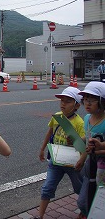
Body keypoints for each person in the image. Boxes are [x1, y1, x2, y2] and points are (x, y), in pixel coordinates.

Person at [35, 87, 86, 219]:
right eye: (62, 101)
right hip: (56, 159)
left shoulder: (79, 123)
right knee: (47, 188)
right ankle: (39, 216)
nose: (63, 104)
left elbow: (82, 145)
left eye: (68, 101)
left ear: (77, 106)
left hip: (73, 163)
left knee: (80, 189)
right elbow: (50, 132)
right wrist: (42, 148)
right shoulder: (57, 117)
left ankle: (84, 210)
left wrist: (74, 141)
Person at [77, 81, 105, 218]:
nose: (87, 103)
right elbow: (88, 137)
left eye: (92, 100)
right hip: (91, 163)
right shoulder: (87, 118)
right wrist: (79, 140)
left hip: (103, 166)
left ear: (102, 102)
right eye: (85, 99)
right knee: (84, 201)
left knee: (99, 196)